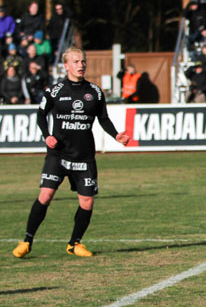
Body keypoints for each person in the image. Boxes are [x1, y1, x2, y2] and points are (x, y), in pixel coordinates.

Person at [12, 47, 130, 259]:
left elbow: (103, 119)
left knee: (87, 202)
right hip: (58, 154)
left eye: (83, 61)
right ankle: (27, 241)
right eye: (76, 62)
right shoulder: (55, 91)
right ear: (66, 66)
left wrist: (116, 136)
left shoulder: (95, 92)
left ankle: (74, 243)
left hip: (84, 156)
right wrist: (46, 135)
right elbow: (41, 114)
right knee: (46, 195)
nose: (81, 65)